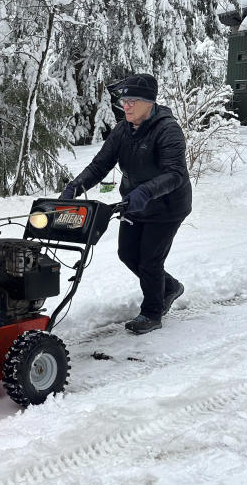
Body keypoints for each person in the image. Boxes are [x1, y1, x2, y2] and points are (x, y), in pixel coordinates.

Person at [60, 73, 191, 334]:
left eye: (132, 100)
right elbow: (100, 165)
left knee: (150, 261)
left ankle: (152, 313)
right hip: (134, 203)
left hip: (167, 207)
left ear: (149, 102)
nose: (126, 105)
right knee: (128, 254)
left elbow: (175, 173)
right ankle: (170, 287)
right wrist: (75, 187)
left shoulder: (168, 130)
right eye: (124, 101)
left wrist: (144, 192)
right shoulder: (123, 130)